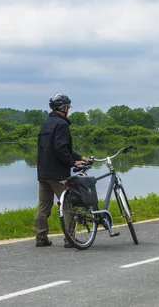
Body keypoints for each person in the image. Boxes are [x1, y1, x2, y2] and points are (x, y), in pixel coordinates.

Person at [34, 93, 89, 247]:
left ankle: (41, 237)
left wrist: (80, 157)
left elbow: (53, 147)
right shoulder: (62, 124)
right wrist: (73, 163)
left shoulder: (46, 123)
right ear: (64, 108)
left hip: (43, 172)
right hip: (58, 174)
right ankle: (70, 239)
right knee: (68, 206)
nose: (68, 110)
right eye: (68, 107)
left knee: (44, 205)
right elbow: (60, 149)